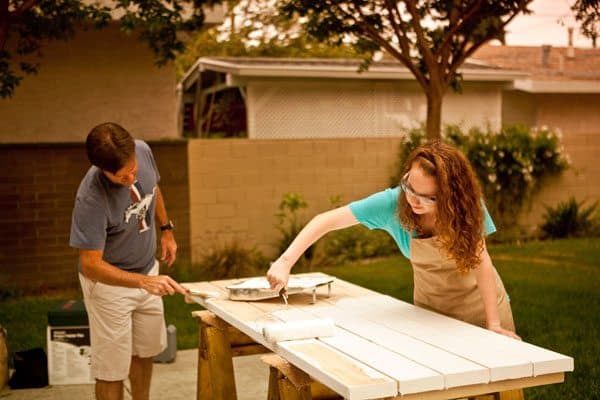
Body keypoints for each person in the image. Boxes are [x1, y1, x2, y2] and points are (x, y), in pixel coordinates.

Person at [267, 140, 520, 340]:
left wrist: (493, 324)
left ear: (450, 196)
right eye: (409, 187)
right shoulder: (392, 203)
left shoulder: (468, 207)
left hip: (483, 310)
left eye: (427, 197)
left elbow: (481, 261)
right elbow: (325, 220)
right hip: (431, 316)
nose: (413, 200)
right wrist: (285, 262)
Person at [70, 122, 188, 400]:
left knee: (145, 352)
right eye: (123, 177)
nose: (132, 178)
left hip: (148, 272)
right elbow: (90, 264)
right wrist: (143, 282)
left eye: (133, 169)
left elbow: (153, 190)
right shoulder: (91, 199)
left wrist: (167, 230)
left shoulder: (142, 151)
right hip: (110, 288)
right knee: (112, 369)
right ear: (104, 171)